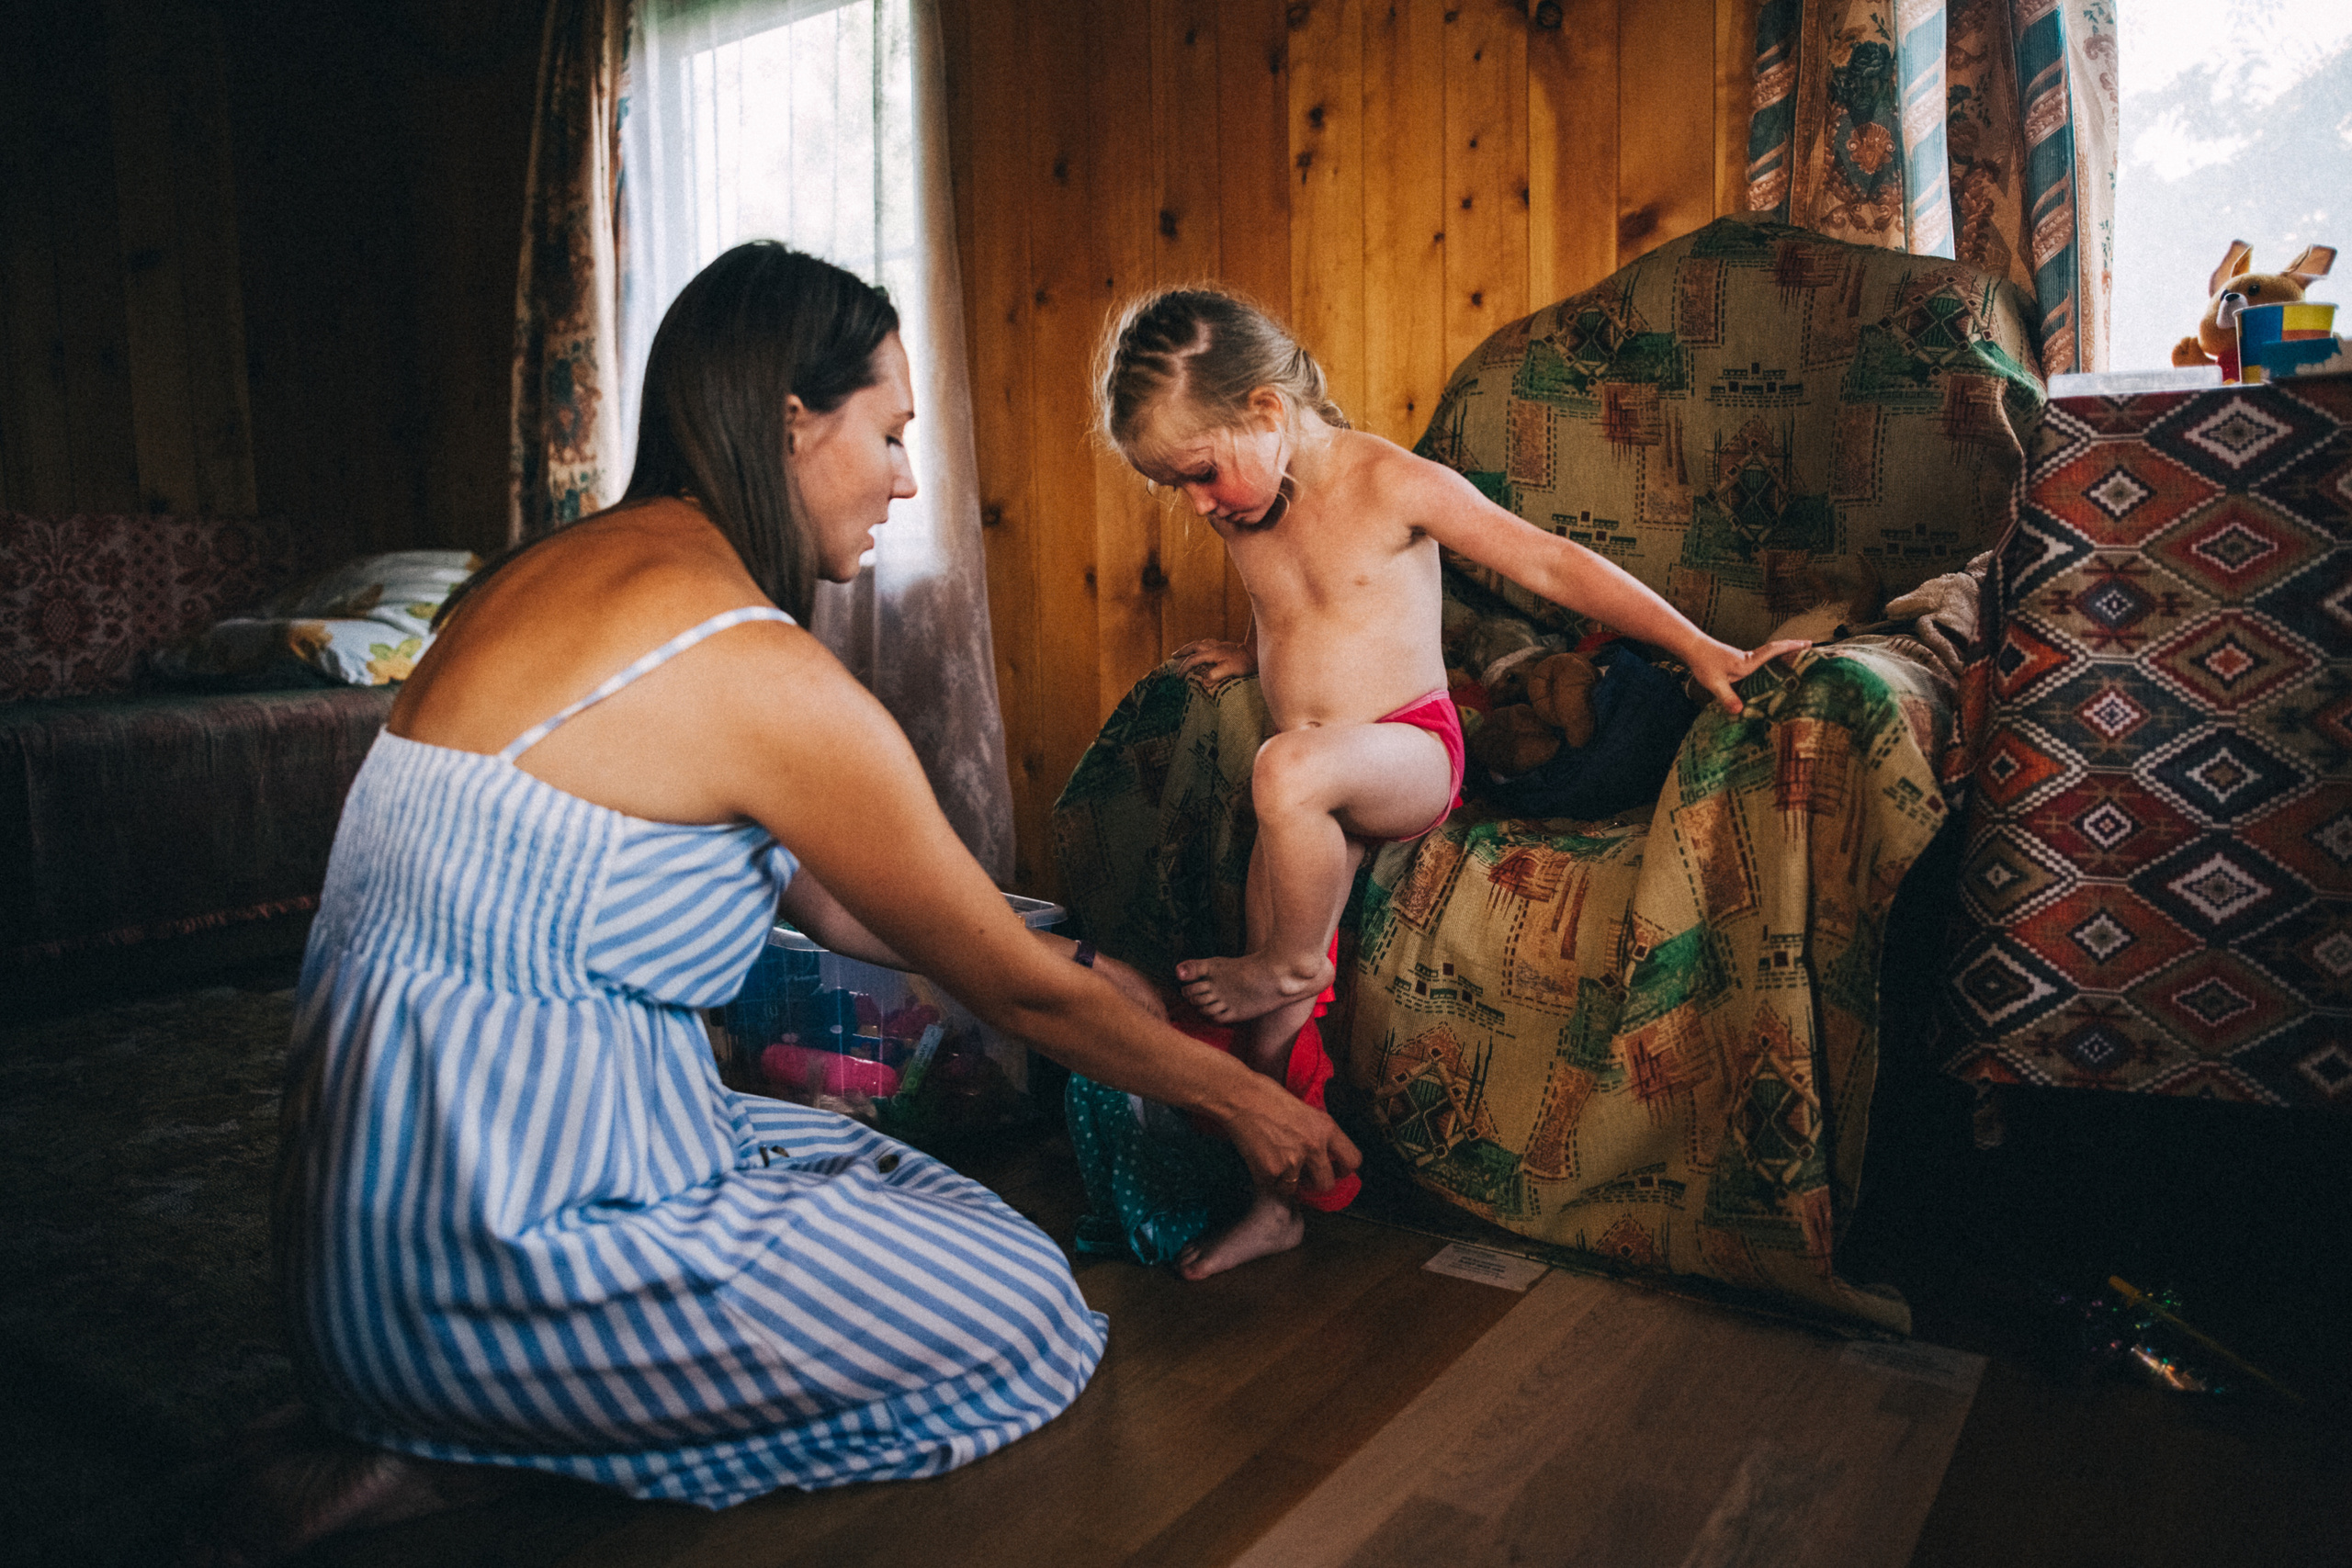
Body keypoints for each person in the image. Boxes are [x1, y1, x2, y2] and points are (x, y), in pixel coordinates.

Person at [198, 244, 1358, 1565]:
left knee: (889, 1178)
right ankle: (461, 1448)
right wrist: (1251, 1099)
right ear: (792, 420)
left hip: (351, 1244)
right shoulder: (750, 665)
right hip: (493, 1251)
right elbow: (1013, 991)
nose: (908, 478)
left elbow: (860, 910)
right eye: (891, 433)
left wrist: (1086, 947)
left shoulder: (544, 576)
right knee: (1027, 1299)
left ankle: (437, 1415)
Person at [1095, 288, 1805, 1279]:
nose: (1199, 504)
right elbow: (1301, 610)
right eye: (1177, 488)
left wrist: (1696, 647)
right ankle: (1278, 1204)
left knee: (1283, 788)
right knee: (1267, 1029)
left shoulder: (1387, 482)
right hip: (1312, 775)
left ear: (1264, 410)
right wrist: (1250, 658)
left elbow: (1551, 566)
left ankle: (1293, 961)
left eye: (1201, 475)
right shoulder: (1246, 501)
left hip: (1407, 754)